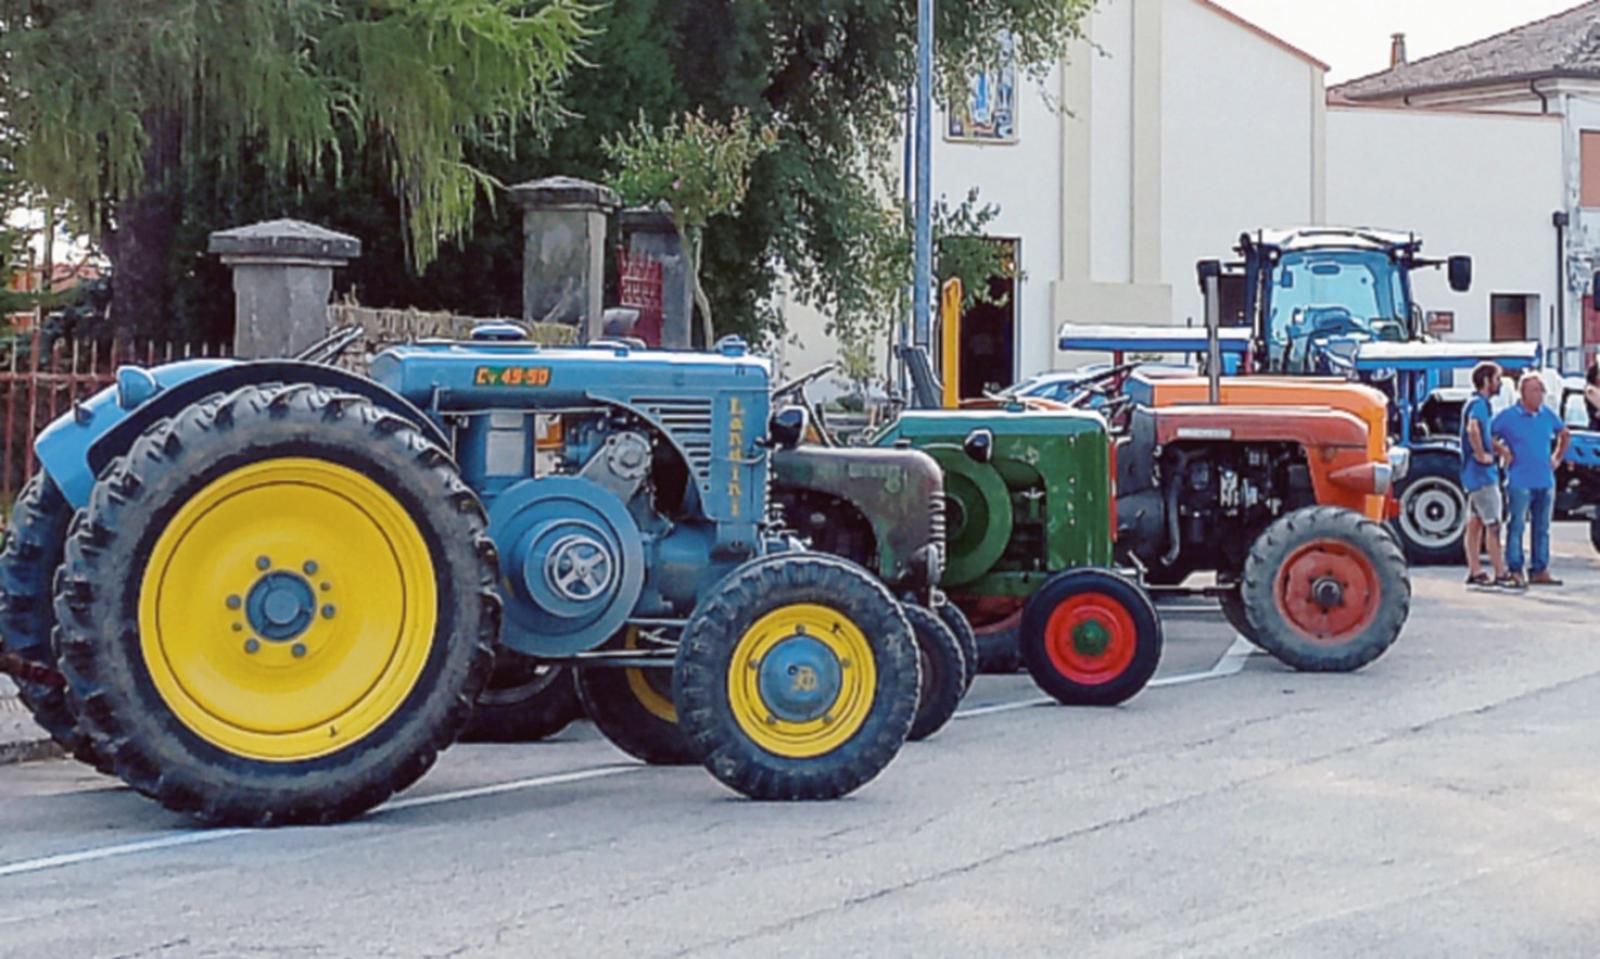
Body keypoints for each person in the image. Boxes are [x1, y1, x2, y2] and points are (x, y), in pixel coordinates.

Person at [1492, 372, 1572, 588]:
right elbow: (1487, 435)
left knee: (1542, 527)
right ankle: (1515, 569)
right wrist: (1502, 451)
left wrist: (1557, 458)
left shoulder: (1547, 415)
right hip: (1519, 480)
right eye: (1536, 390)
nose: (1540, 395)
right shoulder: (1508, 416)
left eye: (1542, 390)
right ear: (1523, 393)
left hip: (1545, 480)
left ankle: (1540, 569)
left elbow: (1565, 433)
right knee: (1516, 525)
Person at [1460, 362, 1509, 588]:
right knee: (1493, 524)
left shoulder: (1474, 403)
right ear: (1487, 381)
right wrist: (1482, 454)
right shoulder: (1480, 405)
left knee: (1474, 523)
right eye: (1497, 378)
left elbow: (1483, 434)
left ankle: (1475, 571)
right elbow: (1473, 429)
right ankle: (1500, 573)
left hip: (1472, 476)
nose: (1500, 383)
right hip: (1482, 476)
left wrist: (1500, 450)